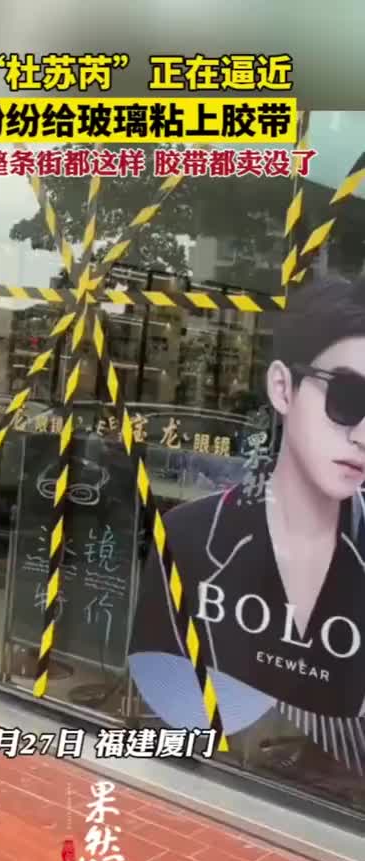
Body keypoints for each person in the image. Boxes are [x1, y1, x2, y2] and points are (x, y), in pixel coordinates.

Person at [129, 276, 365, 774]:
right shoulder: (190, 539)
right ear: (283, 388)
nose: (363, 435)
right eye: (348, 398)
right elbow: (161, 718)